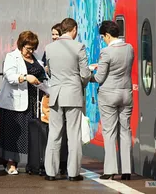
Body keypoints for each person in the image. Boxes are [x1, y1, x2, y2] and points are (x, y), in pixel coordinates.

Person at [44, 18, 91, 181]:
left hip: (55, 95)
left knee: (54, 133)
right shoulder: (79, 47)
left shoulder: (49, 48)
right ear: (74, 29)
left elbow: (50, 72)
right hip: (73, 95)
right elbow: (85, 74)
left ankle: (50, 172)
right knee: (73, 134)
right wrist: (82, 83)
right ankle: (73, 173)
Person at [0, 31, 47, 175]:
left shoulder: (36, 58)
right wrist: (25, 77)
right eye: (28, 48)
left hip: (34, 101)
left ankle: (33, 163)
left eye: (32, 48)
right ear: (21, 45)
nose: (30, 51)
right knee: (15, 134)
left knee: (32, 134)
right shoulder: (11, 57)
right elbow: (9, 75)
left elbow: (43, 74)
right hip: (16, 102)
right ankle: (11, 163)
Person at [90, 21, 134, 180]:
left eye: (103, 37)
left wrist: (89, 75)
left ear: (107, 35)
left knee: (109, 132)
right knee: (125, 130)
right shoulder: (129, 48)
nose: (103, 40)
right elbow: (122, 68)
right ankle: (127, 170)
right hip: (126, 93)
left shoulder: (106, 52)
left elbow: (100, 77)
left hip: (109, 94)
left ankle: (110, 170)